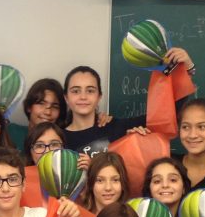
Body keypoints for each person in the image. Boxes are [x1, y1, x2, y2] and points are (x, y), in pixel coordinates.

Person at [61, 53, 192, 155]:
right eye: (75, 91)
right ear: (66, 97)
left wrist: (187, 69)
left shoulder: (119, 128)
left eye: (90, 90)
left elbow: (167, 115)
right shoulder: (57, 138)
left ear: (99, 96)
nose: (83, 97)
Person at [7, 78, 67, 151]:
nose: (48, 112)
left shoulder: (64, 140)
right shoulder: (11, 132)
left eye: (55, 106)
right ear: (29, 107)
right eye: (41, 103)